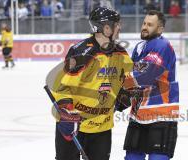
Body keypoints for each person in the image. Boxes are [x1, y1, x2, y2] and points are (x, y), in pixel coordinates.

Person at [50, 7, 133, 160]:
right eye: (117, 24)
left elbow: (127, 81)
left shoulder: (121, 54)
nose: (119, 27)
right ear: (106, 27)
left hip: (102, 128)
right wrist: (66, 114)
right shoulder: (81, 52)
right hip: (74, 126)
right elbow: (62, 86)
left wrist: (126, 95)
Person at [116, 10, 179, 160]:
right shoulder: (139, 47)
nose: (145, 27)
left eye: (150, 25)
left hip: (161, 116)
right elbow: (134, 83)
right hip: (138, 115)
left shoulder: (162, 45)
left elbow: (147, 75)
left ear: (160, 29)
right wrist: (117, 104)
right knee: (132, 157)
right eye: (144, 23)